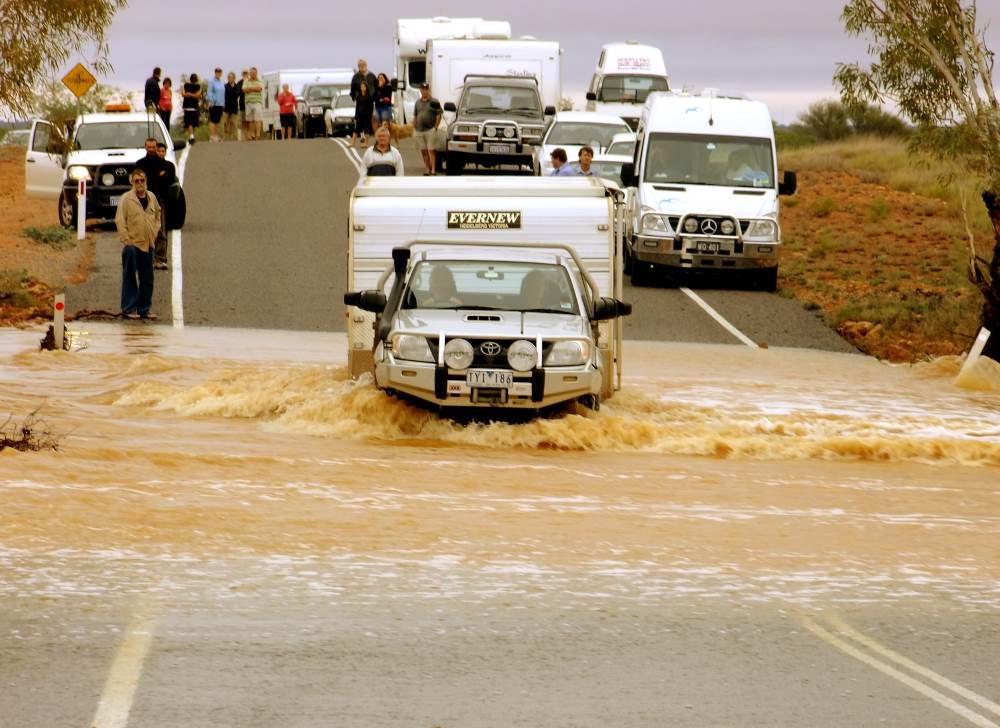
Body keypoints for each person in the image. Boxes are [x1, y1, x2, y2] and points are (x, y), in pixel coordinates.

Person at [115, 169, 160, 320]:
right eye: (136, 181)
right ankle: (128, 308)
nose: (140, 183)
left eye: (142, 180)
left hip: (149, 244)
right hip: (132, 245)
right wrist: (126, 240)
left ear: (146, 181)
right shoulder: (126, 199)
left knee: (147, 278)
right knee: (130, 276)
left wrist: (154, 231)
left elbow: (158, 215)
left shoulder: (152, 197)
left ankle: (144, 309)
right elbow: (120, 220)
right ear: (132, 182)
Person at [134, 137, 169, 269]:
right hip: (142, 201)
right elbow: (138, 181)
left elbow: (163, 180)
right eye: (149, 147)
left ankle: (160, 258)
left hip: (158, 201)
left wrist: (149, 179)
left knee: (160, 230)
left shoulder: (163, 163)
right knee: (142, 230)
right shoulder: (140, 163)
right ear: (145, 147)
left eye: (153, 147)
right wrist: (154, 178)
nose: (152, 149)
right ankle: (144, 259)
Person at [413, 83, 442, 176]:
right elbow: (415, 115)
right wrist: (414, 126)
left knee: (431, 150)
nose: (424, 91)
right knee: (423, 151)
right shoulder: (417, 102)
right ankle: (427, 169)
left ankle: (433, 170)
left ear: (429, 90)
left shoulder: (434, 101)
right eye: (422, 89)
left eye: (426, 89)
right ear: (420, 91)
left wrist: (436, 126)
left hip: (430, 129)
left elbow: (438, 115)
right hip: (419, 130)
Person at [242, 67, 265, 141]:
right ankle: (251, 134)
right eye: (251, 73)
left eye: (254, 73)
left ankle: (257, 135)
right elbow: (244, 90)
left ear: (256, 73)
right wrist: (254, 88)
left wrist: (250, 89)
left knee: (257, 119)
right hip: (248, 102)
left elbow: (259, 89)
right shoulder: (246, 80)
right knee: (250, 119)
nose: (253, 74)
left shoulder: (260, 80)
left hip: (257, 102)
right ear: (250, 73)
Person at [351, 81, 374, 147]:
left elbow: (371, 107)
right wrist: (356, 116)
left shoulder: (369, 97)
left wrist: (370, 116)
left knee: (367, 130)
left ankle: (366, 143)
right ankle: (352, 143)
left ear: (366, 87)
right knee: (356, 129)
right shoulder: (358, 97)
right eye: (361, 87)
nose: (362, 88)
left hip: (367, 116)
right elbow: (357, 107)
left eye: (364, 87)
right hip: (360, 116)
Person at [206, 67, 226, 142]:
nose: (218, 73)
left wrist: (223, 103)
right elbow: (209, 92)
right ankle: (212, 136)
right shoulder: (211, 81)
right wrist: (211, 101)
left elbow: (222, 93)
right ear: (215, 73)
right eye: (217, 72)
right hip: (214, 103)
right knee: (213, 120)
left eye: (219, 72)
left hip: (220, 104)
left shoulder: (222, 82)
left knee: (217, 120)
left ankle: (215, 135)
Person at [182, 73, 202, 144]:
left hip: (188, 107)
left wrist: (189, 94)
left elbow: (184, 94)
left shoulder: (186, 85)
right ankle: (192, 136)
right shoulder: (197, 86)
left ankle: (191, 136)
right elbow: (198, 95)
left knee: (190, 123)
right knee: (192, 123)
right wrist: (193, 95)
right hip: (192, 107)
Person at [223, 71, 240, 141]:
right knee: (225, 123)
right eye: (229, 77)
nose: (230, 79)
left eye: (231, 77)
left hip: (234, 108)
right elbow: (226, 95)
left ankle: (233, 139)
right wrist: (232, 93)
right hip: (226, 107)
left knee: (234, 124)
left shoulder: (237, 86)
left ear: (234, 78)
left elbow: (237, 95)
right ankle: (225, 138)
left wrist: (231, 93)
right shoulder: (225, 86)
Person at [237, 69, 248, 141]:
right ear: (242, 74)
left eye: (246, 73)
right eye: (244, 73)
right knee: (243, 122)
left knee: (250, 122)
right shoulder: (239, 82)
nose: (245, 74)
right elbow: (237, 93)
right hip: (242, 104)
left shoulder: (251, 81)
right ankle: (243, 137)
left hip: (250, 104)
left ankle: (249, 136)